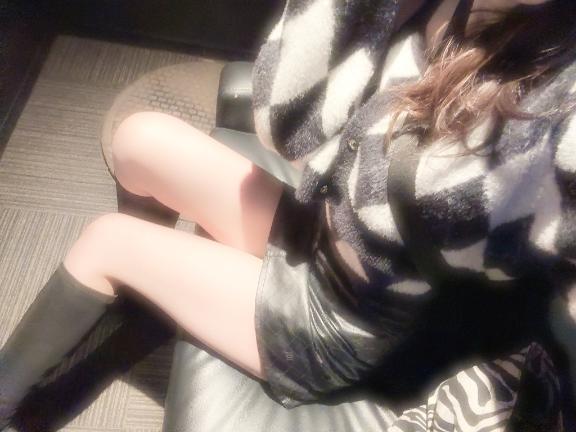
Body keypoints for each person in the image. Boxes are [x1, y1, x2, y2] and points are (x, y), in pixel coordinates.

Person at [0, 0, 575, 430]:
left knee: (108, 241)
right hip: (319, 230)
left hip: (341, 323)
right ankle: (141, 294)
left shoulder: (558, 102)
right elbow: (287, 127)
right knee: (139, 139)